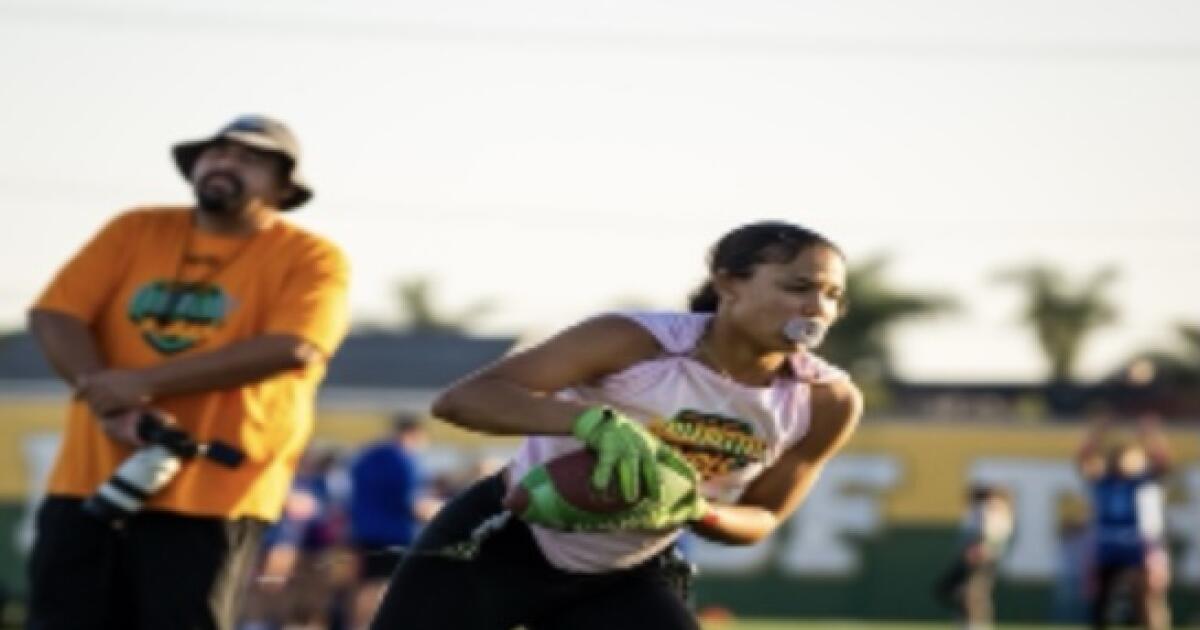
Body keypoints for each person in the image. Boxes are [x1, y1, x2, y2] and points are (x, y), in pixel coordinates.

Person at [370, 221, 863, 630]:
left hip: (624, 572)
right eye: (798, 287)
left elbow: (764, 516)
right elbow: (463, 401)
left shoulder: (826, 400)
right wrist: (588, 421)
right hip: (502, 541)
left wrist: (697, 509)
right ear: (728, 283)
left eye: (832, 296)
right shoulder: (636, 340)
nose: (817, 309)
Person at [25, 114, 350, 630]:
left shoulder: (311, 257)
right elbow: (54, 314)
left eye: (248, 159)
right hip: (89, 478)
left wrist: (143, 384)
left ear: (283, 187)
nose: (224, 163)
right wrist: (110, 400)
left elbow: (296, 347)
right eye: (215, 152)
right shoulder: (136, 229)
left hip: (213, 491)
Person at [1078, 414, 1173, 630]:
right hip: (1108, 546)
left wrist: (1151, 436)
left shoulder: (1144, 481)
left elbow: (1162, 462)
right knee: (1101, 600)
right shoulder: (1104, 480)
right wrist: (1096, 436)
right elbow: (1084, 461)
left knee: (1146, 599)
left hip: (1140, 547)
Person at [347, 413, 443, 629]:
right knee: (385, 586)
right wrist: (442, 511)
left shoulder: (366, 457)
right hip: (396, 533)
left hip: (362, 531)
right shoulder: (405, 460)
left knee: (365, 586)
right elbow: (412, 503)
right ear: (414, 434)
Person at [936, 484, 1014, 630]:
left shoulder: (991, 509)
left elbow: (990, 535)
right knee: (962, 592)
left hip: (981, 559)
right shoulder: (983, 510)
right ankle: (968, 621)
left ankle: (975, 624)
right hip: (974, 557)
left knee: (974, 594)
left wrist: (979, 549)